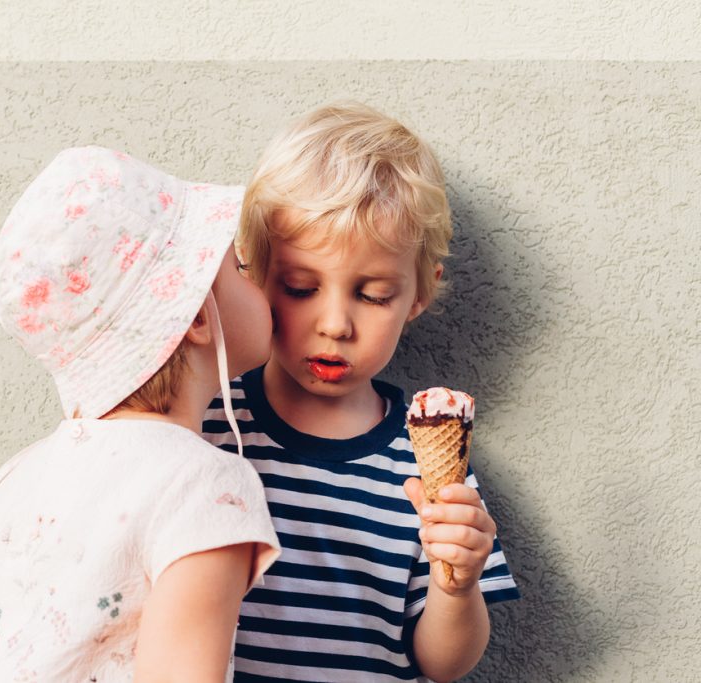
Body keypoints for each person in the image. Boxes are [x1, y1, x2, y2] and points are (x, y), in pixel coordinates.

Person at [0, 146, 281, 682]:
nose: (259, 283)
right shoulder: (205, 484)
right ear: (197, 319)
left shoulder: (23, 472)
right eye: (240, 266)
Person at [202, 102, 520, 682]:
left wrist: (459, 580)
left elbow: (444, 664)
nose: (336, 324)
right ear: (252, 275)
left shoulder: (428, 466)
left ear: (419, 294)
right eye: (300, 288)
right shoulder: (208, 424)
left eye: (373, 296)